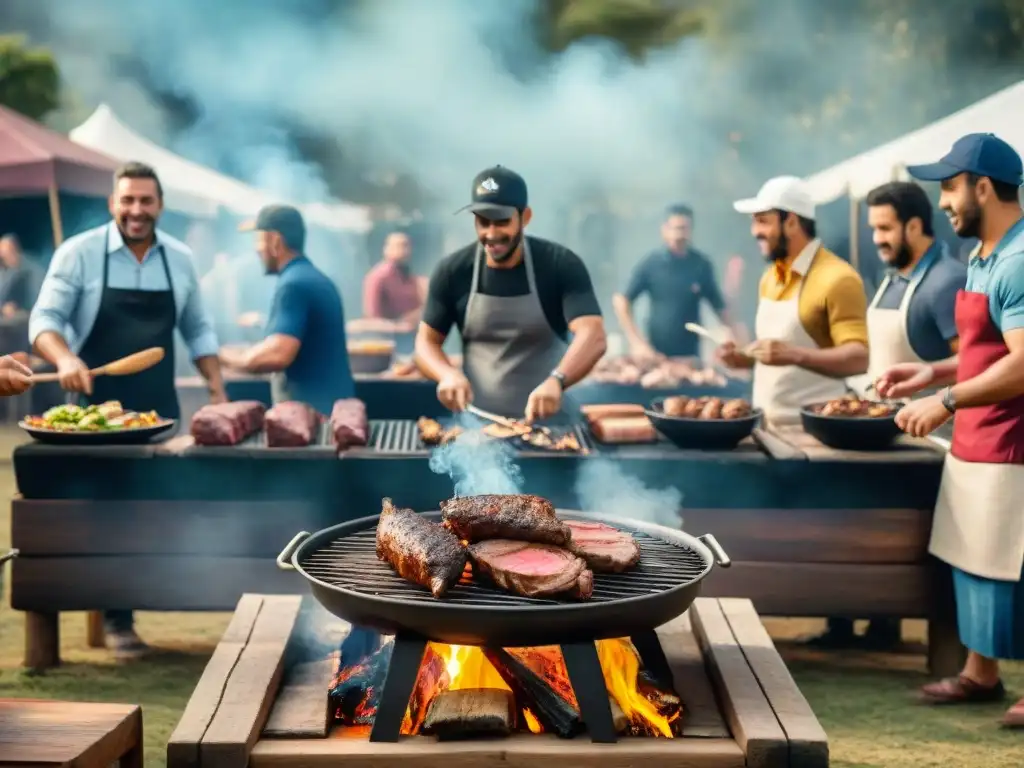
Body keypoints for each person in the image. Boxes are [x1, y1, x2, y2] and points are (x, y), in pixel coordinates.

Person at [28, 161, 225, 659]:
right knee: (107, 513)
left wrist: (218, 388)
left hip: (159, 411)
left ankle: (134, 609)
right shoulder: (80, 254)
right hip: (96, 413)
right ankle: (117, 620)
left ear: (160, 205)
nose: (136, 210)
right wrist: (65, 358)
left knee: (155, 510)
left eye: (146, 200)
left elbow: (198, 329)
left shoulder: (178, 259)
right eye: (128, 200)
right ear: (112, 204)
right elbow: (44, 320)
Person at [877, 133, 1024, 727]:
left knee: (1013, 561)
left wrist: (945, 398)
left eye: (949, 187)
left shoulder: (1018, 260)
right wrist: (934, 369)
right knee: (973, 555)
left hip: (1013, 439)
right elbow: (987, 350)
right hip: (977, 435)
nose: (942, 202)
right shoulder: (988, 254)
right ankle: (979, 673)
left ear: (982, 187)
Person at [814, 182, 970, 651]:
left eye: (884, 228)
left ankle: (888, 622)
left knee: (894, 543)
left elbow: (974, 360)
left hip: (927, 441)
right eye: (874, 228)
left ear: (916, 225)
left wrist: (931, 394)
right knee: (856, 529)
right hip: (881, 431)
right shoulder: (892, 276)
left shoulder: (946, 281)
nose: (877, 238)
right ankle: (852, 622)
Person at [415, 165, 607, 422]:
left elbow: (593, 335)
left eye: (502, 222)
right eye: (483, 222)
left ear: (525, 217)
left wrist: (557, 381)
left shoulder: (559, 264)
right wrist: (446, 373)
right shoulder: (453, 271)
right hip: (479, 426)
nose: (491, 234)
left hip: (552, 427)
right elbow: (426, 342)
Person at [717, 176, 869, 424]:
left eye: (763, 222)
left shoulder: (838, 277)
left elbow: (859, 359)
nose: (755, 232)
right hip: (766, 424)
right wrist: (744, 358)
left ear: (791, 222)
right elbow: (777, 356)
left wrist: (794, 354)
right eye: (754, 222)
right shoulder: (769, 277)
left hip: (816, 431)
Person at [219, 205, 355, 415]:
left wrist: (222, 357)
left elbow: (278, 354)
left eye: (259, 239)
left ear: (274, 241)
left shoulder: (293, 284)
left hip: (313, 418)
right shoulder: (312, 277)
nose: (256, 249)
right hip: (329, 411)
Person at [613, 205, 734, 360]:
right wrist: (637, 342)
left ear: (691, 231)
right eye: (675, 228)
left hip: (689, 358)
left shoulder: (701, 265)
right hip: (655, 356)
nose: (679, 235)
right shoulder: (652, 264)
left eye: (684, 229)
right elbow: (621, 301)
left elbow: (720, 308)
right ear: (664, 230)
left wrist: (732, 336)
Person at [0, 235, 38, 317]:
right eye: (3, 258)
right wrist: (3, 308)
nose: (5, 260)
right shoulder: (6, 271)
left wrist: (18, 308)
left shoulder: (33, 269)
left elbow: (37, 301)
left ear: (15, 251)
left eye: (7, 255)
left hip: (31, 317)